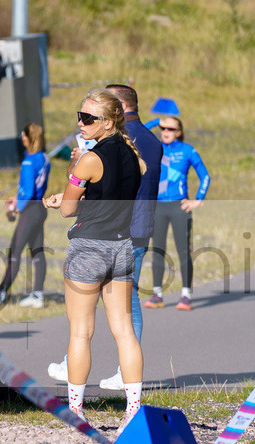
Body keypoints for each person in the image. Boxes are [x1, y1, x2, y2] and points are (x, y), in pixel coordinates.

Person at [49, 83, 162, 392]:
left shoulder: (89, 158)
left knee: (81, 332)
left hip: (90, 246)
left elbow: (67, 210)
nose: (80, 124)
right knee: (125, 330)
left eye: (87, 118)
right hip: (122, 244)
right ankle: (133, 406)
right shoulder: (135, 155)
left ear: (108, 121)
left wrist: (72, 181)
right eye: (80, 116)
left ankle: (76, 407)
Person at [143, 116, 211, 311]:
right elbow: (138, 133)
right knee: (157, 251)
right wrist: (156, 120)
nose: (165, 131)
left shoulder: (188, 151)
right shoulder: (155, 147)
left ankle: (186, 295)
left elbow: (205, 176)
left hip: (179, 207)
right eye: (163, 128)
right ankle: (157, 294)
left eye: (171, 129)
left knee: (184, 252)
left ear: (179, 132)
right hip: (158, 207)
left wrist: (198, 199)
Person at [0, 122, 50, 308]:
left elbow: (27, 192)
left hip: (30, 210)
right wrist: (18, 197)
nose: (22, 138)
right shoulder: (44, 157)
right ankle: (38, 295)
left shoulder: (28, 161)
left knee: (15, 251)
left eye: (23, 135)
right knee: (37, 251)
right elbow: (33, 188)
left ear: (28, 137)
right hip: (39, 208)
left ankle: (1, 293)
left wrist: (15, 207)